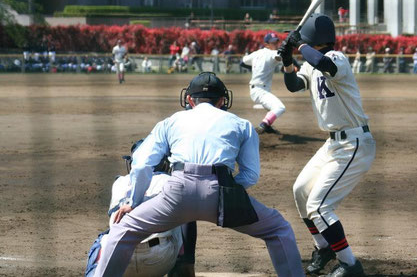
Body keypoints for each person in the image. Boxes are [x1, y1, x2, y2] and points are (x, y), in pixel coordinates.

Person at [92, 72, 305, 277]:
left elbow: (141, 165)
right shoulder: (242, 125)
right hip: (221, 195)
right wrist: (227, 190)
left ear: (189, 100)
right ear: (222, 100)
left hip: (177, 194)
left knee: (121, 233)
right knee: (279, 229)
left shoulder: (171, 121)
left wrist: (133, 202)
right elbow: (250, 176)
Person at [278, 14, 376, 277]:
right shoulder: (310, 64)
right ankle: (324, 248)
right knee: (300, 190)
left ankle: (350, 265)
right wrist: (288, 61)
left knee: (319, 206)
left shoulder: (336, 59)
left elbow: (322, 63)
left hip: (354, 144)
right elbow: (293, 85)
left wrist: (298, 45)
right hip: (332, 145)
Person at [85, 140, 186, 277]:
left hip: (121, 259)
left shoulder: (119, 183)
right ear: (165, 163)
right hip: (160, 260)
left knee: (103, 239)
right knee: (184, 217)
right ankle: (184, 270)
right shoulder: (171, 182)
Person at [240, 32, 285, 134]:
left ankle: (268, 126)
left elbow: (242, 62)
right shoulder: (272, 53)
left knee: (272, 108)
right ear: (267, 44)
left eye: (277, 41)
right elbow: (279, 57)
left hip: (256, 90)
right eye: (273, 42)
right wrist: (284, 52)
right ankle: (263, 125)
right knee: (280, 107)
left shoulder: (257, 53)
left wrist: (255, 69)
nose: (276, 44)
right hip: (260, 91)